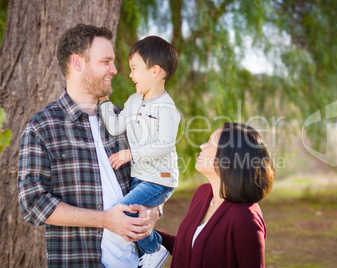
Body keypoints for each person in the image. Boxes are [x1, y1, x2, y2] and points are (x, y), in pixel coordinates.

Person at [17, 24, 161, 268]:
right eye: (106, 61)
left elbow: (156, 175)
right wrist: (105, 219)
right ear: (77, 63)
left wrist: (154, 211)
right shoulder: (42, 127)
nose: (115, 70)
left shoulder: (127, 120)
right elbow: (32, 203)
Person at [98, 35, 180, 267]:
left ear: (154, 71)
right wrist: (103, 101)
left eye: (134, 69)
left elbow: (164, 145)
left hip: (160, 179)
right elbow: (114, 127)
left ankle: (155, 249)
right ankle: (150, 248)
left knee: (120, 212)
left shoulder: (167, 108)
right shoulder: (134, 101)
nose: (131, 75)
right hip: (140, 177)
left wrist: (131, 154)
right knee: (134, 214)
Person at [157, 122, 275, 267]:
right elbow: (190, 248)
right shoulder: (203, 193)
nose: (202, 146)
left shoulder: (246, 218)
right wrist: (145, 233)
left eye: (210, 143)